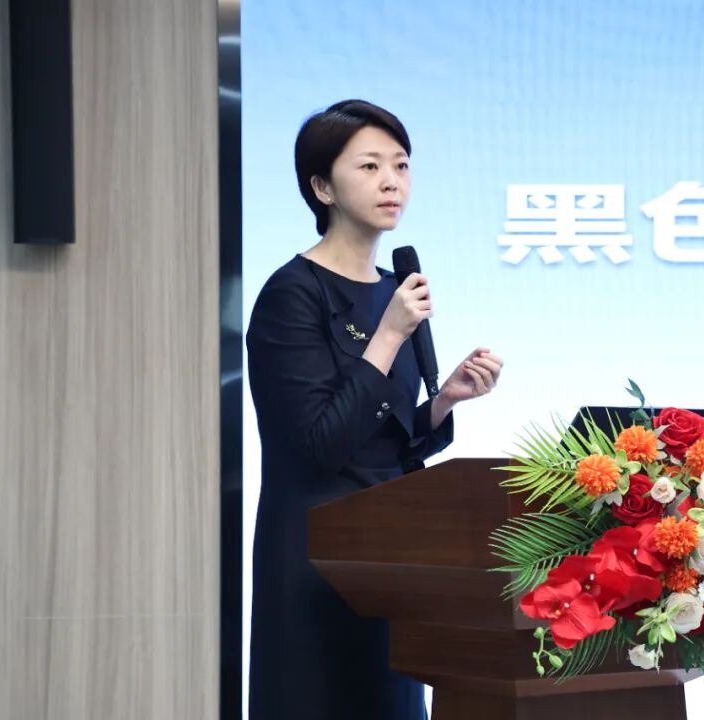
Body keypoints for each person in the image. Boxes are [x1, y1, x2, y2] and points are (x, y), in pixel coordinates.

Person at [246, 99, 504, 719]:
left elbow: (383, 437)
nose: (392, 181)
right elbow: (318, 446)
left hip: (391, 555)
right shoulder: (292, 294)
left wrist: (443, 402)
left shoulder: (395, 287)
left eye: (401, 165)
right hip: (312, 559)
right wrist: (388, 336)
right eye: (369, 166)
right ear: (321, 187)